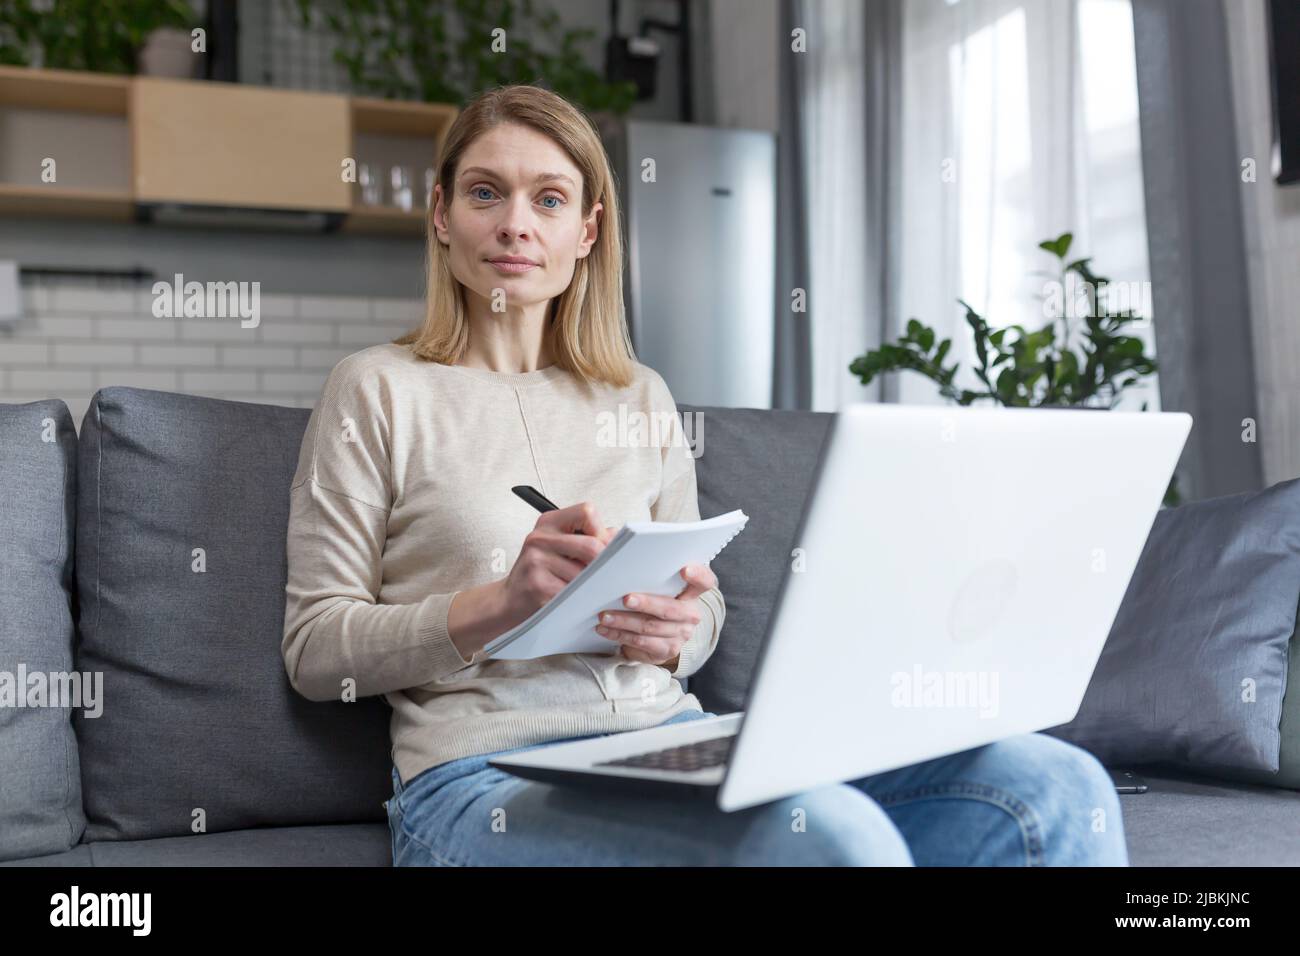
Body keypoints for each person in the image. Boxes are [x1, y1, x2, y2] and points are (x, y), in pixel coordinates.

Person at [281, 84, 1128, 867]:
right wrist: (499, 604)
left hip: (664, 742)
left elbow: (704, 604)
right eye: (484, 193)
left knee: (1056, 787)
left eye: (549, 199)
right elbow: (317, 651)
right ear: (440, 214)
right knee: (831, 840)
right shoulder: (377, 389)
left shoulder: (639, 395)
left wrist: (678, 632)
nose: (515, 225)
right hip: (482, 780)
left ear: (587, 230)